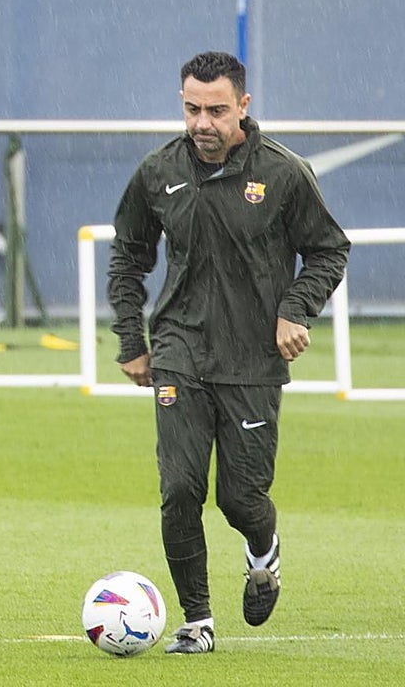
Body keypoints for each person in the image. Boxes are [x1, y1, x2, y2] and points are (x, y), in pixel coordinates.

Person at [106, 51, 350, 653]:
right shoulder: (157, 172)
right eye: (192, 108)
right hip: (178, 352)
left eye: (216, 110)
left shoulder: (284, 174)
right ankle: (196, 621)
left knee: (240, 498)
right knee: (180, 489)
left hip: (251, 364)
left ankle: (262, 550)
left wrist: (295, 309)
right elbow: (127, 256)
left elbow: (329, 250)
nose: (202, 122)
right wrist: (133, 342)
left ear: (243, 106)